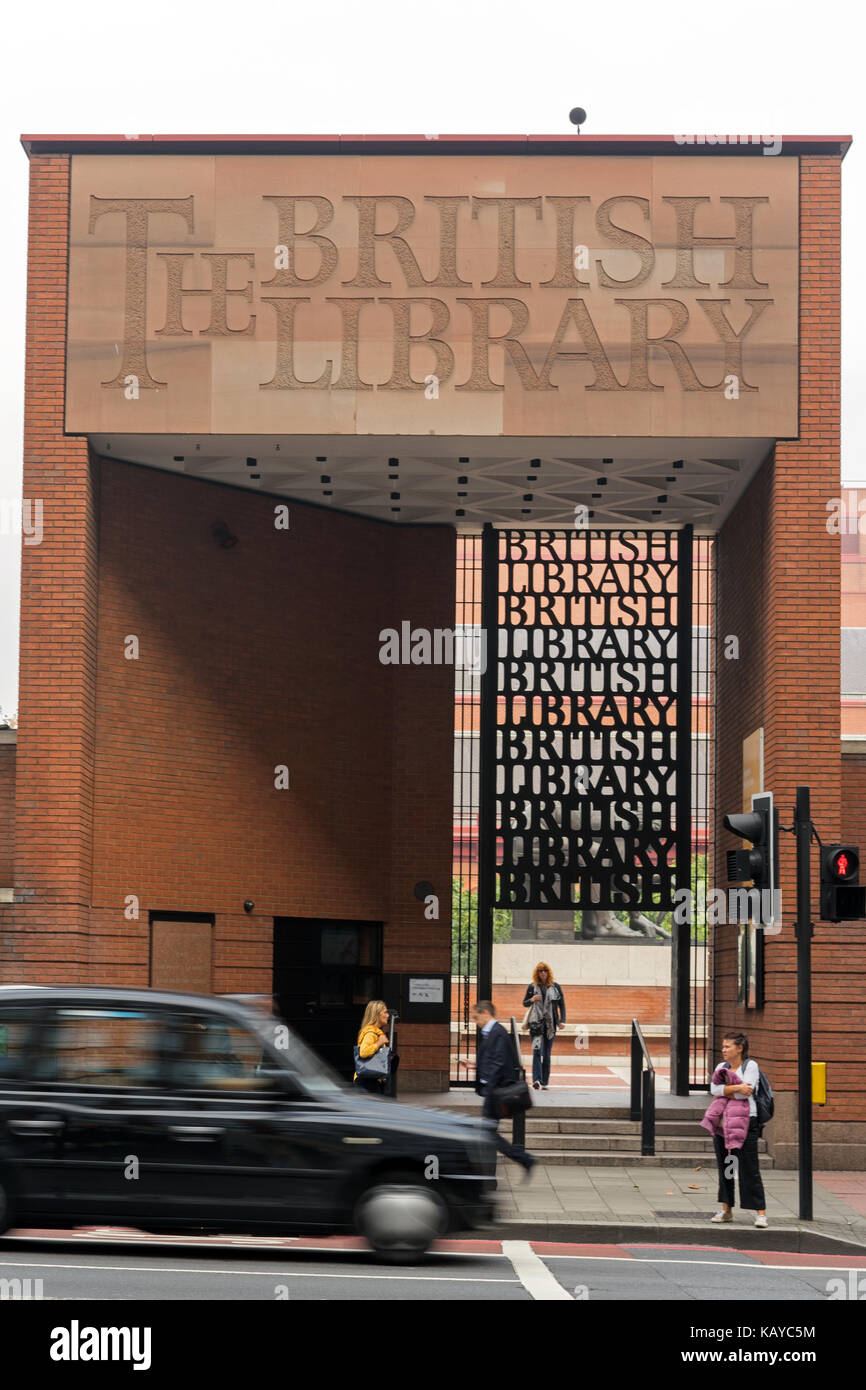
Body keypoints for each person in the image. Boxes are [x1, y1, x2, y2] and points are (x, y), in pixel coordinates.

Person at [708, 1030, 768, 1228]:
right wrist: (735, 1088)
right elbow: (713, 1090)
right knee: (727, 1166)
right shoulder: (721, 1067)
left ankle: (760, 1213)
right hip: (724, 1124)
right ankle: (727, 1210)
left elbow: (746, 1093)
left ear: (739, 1048)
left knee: (749, 1168)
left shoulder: (751, 1066)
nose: (723, 1050)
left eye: (727, 1047)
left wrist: (725, 1091)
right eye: (723, 1046)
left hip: (746, 1123)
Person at [473, 1000, 536, 1177]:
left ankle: (522, 1160)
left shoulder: (498, 1032)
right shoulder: (492, 1033)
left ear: (485, 1013)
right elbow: (493, 1060)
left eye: (476, 1017)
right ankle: (522, 1160)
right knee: (488, 1133)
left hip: (494, 1093)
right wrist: (476, 1066)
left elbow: (499, 1063)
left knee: (488, 1134)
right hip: (492, 1091)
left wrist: (489, 1087)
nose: (475, 1021)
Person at [522, 962, 566, 1090]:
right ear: (537, 973)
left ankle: (545, 1081)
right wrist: (531, 1000)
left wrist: (562, 1020)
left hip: (550, 1026)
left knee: (546, 1054)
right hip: (536, 1026)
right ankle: (537, 1080)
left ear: (548, 973)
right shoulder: (532, 987)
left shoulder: (556, 987)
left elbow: (561, 1004)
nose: (542, 973)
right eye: (540, 971)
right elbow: (524, 1003)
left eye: (545, 971)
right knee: (536, 1052)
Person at [354, 999, 391, 1095]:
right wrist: (379, 1043)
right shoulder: (370, 1033)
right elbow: (363, 1052)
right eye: (385, 1012)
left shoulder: (376, 1032)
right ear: (377, 1014)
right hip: (367, 1082)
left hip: (371, 1080)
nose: (388, 1015)